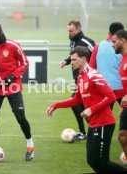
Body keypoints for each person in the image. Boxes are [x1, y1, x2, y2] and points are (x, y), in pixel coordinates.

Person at [47, 46, 127, 173]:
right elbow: (76, 100)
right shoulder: (80, 77)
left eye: (74, 60)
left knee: (101, 162)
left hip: (104, 124)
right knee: (92, 161)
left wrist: (91, 109)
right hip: (93, 123)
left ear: (83, 59)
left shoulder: (93, 75)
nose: (71, 62)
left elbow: (110, 97)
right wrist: (56, 105)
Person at [0, 22, 34, 162]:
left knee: (20, 117)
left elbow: (25, 63)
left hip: (13, 87)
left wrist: (13, 76)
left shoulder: (13, 45)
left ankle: (30, 146)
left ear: (1, 31)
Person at [60, 20, 95, 140]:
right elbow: (74, 56)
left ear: (79, 29)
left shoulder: (86, 42)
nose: (69, 33)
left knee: (77, 104)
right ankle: (90, 131)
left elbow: (95, 56)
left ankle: (89, 131)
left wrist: (92, 75)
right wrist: (67, 61)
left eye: (72, 31)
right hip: (78, 80)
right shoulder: (73, 41)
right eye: (68, 31)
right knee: (80, 105)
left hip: (87, 80)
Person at [90, 22, 124, 109]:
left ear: (109, 33)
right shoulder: (124, 47)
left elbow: (91, 69)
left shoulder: (98, 47)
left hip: (104, 89)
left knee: (106, 120)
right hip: (122, 88)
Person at [112, 29, 127, 162]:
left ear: (122, 40)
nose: (112, 44)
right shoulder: (122, 60)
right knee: (122, 136)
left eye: (114, 41)